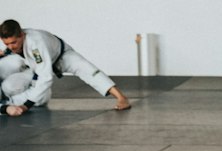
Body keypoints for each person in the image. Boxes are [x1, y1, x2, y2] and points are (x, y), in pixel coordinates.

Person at [0, 20, 130, 115]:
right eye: (7, 44)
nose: (11, 46)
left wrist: (26, 106)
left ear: (22, 35)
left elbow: (46, 77)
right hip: (35, 67)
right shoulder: (15, 44)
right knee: (13, 85)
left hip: (62, 57)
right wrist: (5, 52)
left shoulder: (35, 43)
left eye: (13, 42)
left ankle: (121, 98)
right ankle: (8, 102)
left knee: (87, 69)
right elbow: (13, 50)